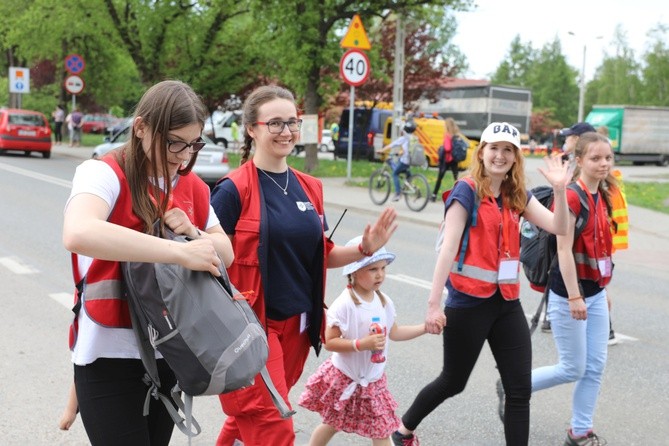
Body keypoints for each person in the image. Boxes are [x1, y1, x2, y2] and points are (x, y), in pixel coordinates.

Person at [209, 85, 397, 446]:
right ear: (252, 129)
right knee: (273, 419)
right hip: (252, 325)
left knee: (253, 409)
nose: (286, 131)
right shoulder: (233, 190)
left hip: (298, 324)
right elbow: (209, 258)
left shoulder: (310, 187)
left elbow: (320, 255)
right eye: (274, 123)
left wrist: (364, 247)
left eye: (292, 122)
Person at [62, 80, 234, 445]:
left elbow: (226, 251)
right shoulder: (104, 173)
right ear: (140, 127)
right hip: (108, 356)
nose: (184, 156)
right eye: (175, 142)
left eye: (193, 144)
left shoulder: (194, 187)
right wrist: (180, 251)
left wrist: (194, 233)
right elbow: (78, 232)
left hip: (172, 351)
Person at [391, 122, 571, 446]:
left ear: (515, 157)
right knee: (453, 381)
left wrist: (560, 190)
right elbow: (447, 248)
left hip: (506, 303)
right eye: (494, 148)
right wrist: (433, 305)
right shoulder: (467, 190)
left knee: (519, 389)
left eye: (507, 150)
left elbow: (559, 227)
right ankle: (403, 430)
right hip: (467, 302)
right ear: (482, 152)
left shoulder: (517, 195)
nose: (499, 156)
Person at [298, 236, 427, 446]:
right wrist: (361, 344)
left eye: (383, 269)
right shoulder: (345, 304)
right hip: (346, 376)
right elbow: (330, 342)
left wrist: (424, 328)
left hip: (374, 380)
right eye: (372, 269)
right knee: (332, 423)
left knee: (382, 429)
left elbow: (394, 333)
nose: (380, 275)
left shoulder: (384, 301)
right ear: (354, 272)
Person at [530, 132, 615, 446]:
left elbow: (600, 250)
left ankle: (580, 432)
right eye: (595, 158)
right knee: (572, 367)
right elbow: (564, 250)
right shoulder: (573, 196)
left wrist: (603, 290)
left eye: (607, 157)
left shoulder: (599, 194)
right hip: (569, 293)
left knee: (594, 366)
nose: (603, 163)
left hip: (595, 291)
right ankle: (514, 387)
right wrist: (576, 295)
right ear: (579, 161)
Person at [541, 122, 597, 332]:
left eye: (569, 137)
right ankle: (551, 313)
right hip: (563, 224)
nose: (566, 141)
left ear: (580, 140)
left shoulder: (586, 169)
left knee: (564, 263)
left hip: (581, 232)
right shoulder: (565, 163)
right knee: (556, 263)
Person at [378, 120, 418, 202]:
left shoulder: (403, 138)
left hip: (405, 161)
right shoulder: (414, 138)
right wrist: (400, 153)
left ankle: (398, 194)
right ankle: (414, 189)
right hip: (411, 161)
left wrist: (382, 150)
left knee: (395, 173)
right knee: (407, 176)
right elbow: (407, 150)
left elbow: (392, 145)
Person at [432, 117, 461, 201]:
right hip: (454, 159)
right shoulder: (457, 134)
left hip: (447, 159)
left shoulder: (447, 135)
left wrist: (443, 147)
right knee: (456, 178)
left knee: (440, 178)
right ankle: (459, 195)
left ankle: (434, 195)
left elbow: (447, 148)